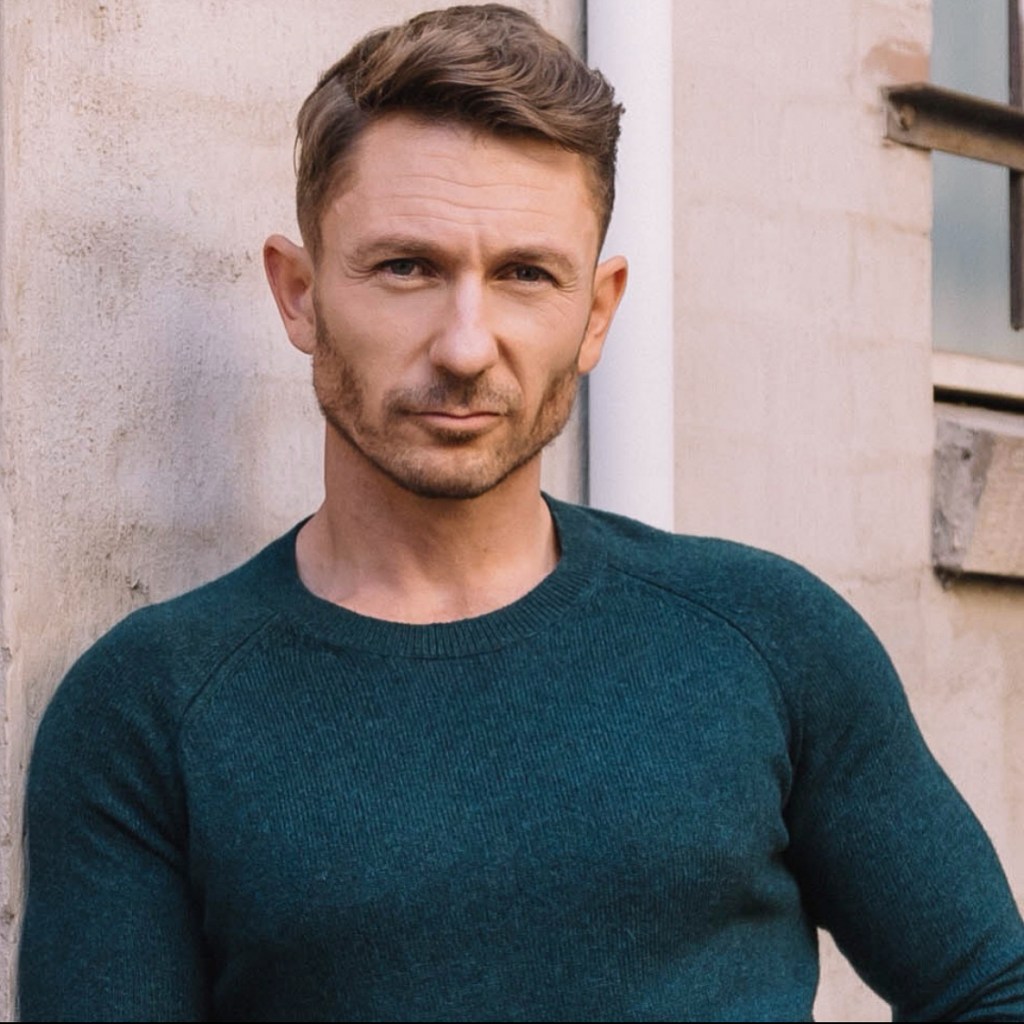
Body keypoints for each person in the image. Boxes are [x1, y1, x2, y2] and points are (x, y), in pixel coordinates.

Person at [17, 5, 1024, 1021]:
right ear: (299, 293)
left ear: (595, 313)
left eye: (525, 275)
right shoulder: (149, 709)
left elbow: (988, 988)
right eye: (406, 267)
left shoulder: (769, 637)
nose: (466, 344)